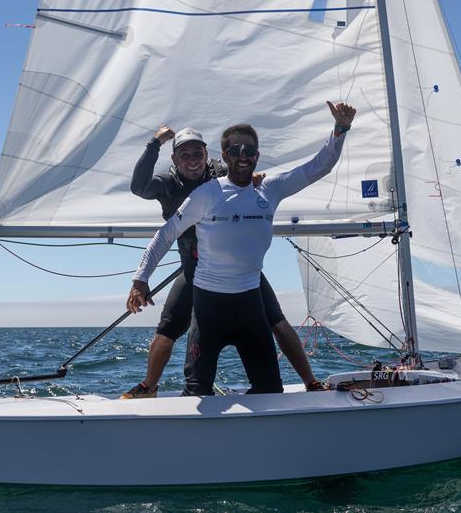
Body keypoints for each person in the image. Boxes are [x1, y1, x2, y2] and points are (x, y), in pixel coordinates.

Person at [127, 101, 356, 396]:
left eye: (249, 151)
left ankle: (309, 383)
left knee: (271, 389)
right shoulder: (205, 193)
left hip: (249, 304)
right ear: (225, 155)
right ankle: (149, 386)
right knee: (194, 388)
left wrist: (340, 129)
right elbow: (165, 234)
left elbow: (317, 167)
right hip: (208, 304)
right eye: (236, 150)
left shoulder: (269, 188)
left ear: (257, 156)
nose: (243, 156)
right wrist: (140, 278)